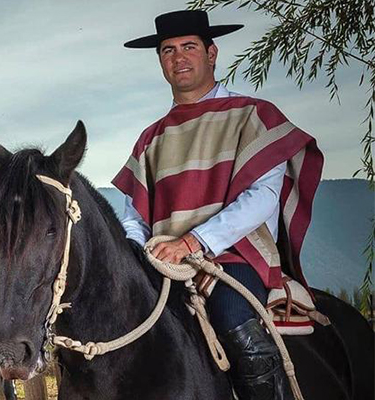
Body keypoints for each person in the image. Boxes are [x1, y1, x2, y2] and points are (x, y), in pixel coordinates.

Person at [112, 10, 323, 400]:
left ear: (212, 53)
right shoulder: (150, 137)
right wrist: (137, 253)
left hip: (232, 258)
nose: (178, 58)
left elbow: (262, 198)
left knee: (233, 320)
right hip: (163, 263)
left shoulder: (253, 114)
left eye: (189, 47)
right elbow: (134, 216)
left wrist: (193, 242)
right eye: (167, 50)